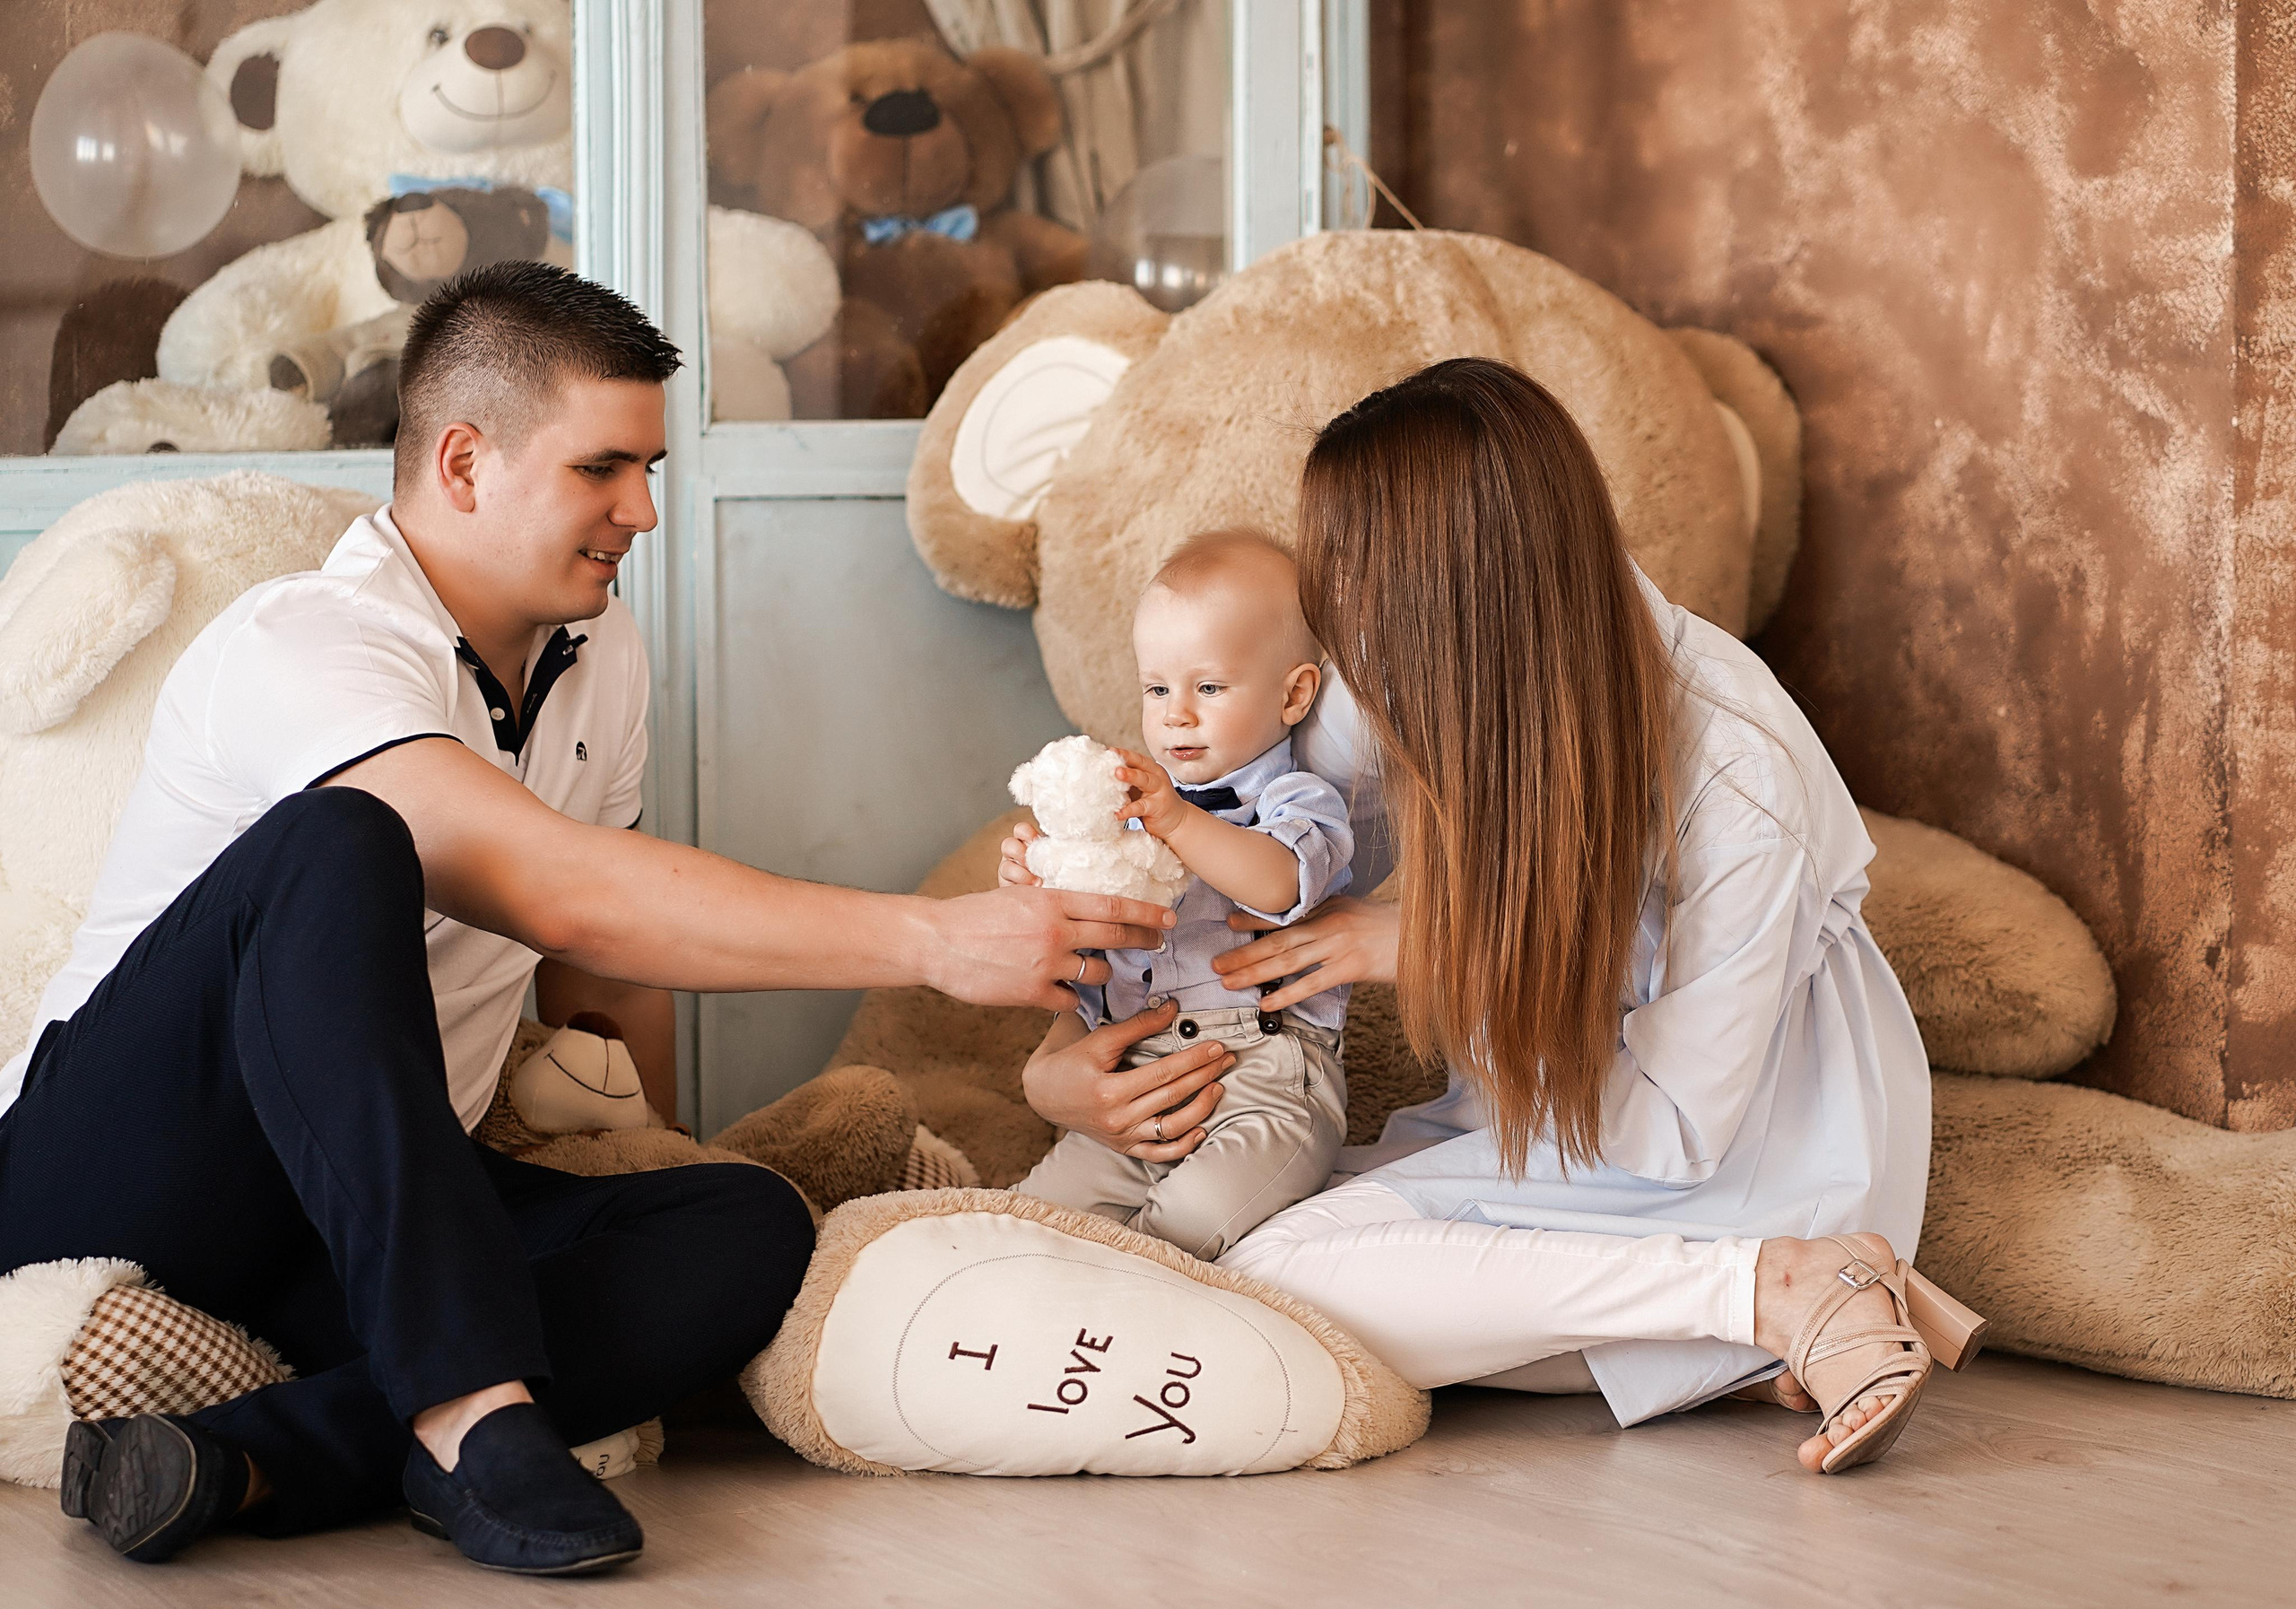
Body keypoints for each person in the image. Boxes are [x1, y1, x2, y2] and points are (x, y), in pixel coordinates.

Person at [0, 261, 1178, 1573]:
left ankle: (254, 1455)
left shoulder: (596, 651)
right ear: (463, 463)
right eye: (604, 469)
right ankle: (464, 1410)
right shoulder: (308, 639)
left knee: (741, 1224)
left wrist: (651, 1153)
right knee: (339, 842)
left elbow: (595, 971)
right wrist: (935, 937)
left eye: (652, 467)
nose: (647, 511)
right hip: (115, 1170)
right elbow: (550, 885)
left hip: (363, 1209)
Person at [1024, 357, 1983, 1476]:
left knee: (1280, 1276)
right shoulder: (1413, 652)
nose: (1343, 643)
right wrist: (1097, 865)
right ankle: (1726, 1325)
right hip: (1536, 1120)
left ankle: (1777, 1284)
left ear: (1457, 595)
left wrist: (1435, 955)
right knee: (1251, 1231)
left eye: (1357, 595)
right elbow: (1269, 848)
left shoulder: (1736, 774)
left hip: (1728, 1151)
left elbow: (1675, 1130)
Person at [1003, 531, 1352, 1261]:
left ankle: (1127, 1318)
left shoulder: (1295, 800)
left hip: (1268, 1081)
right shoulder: (1133, 810)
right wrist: (1037, 880)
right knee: (1029, 1225)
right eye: (1157, 689)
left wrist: (1178, 820)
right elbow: (1083, 942)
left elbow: (1281, 882)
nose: (1176, 715)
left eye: (1209, 688)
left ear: (1294, 694)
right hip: (1138, 1083)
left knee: (1189, 1220)